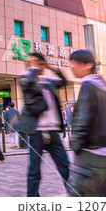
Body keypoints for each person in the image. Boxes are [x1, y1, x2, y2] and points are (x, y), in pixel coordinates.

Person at [67, 50, 106, 197]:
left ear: (88, 65)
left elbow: (82, 120)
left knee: (79, 195)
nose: (71, 67)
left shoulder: (88, 85)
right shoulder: (103, 86)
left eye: (75, 63)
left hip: (92, 154)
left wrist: (75, 145)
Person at [17, 52, 69, 197]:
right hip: (37, 132)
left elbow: (65, 82)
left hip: (52, 131)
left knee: (65, 166)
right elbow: (32, 88)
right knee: (34, 170)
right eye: (31, 62)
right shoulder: (25, 79)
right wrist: (33, 70)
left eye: (36, 62)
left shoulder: (48, 82)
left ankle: (74, 194)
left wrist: (51, 69)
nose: (32, 64)